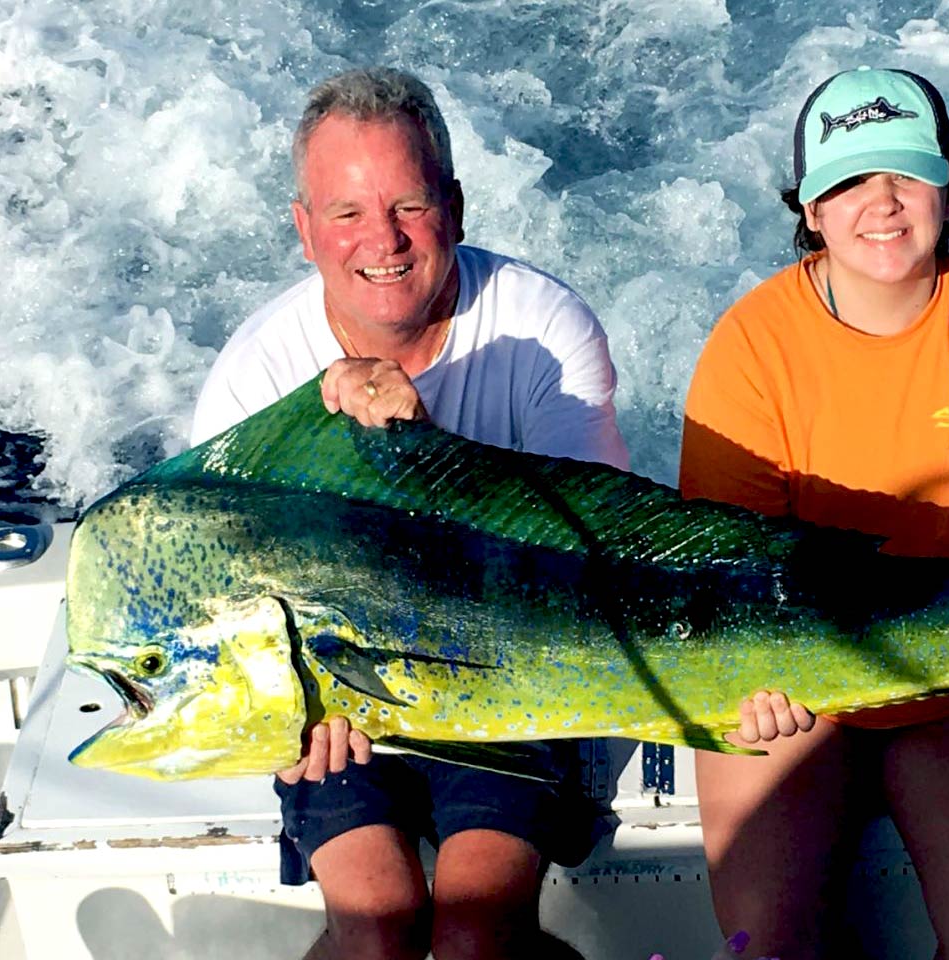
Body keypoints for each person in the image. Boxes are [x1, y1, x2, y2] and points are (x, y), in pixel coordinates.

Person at [190, 67, 629, 960]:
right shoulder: (254, 373)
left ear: (456, 209)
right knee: (376, 926)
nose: (381, 240)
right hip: (338, 705)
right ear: (304, 229)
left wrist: (421, 458)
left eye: (410, 205)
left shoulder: (547, 328)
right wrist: (282, 718)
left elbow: (584, 558)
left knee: (475, 931)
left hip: (515, 680)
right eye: (346, 213)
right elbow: (224, 597)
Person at [679, 67, 949, 959]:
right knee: (766, 944)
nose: (882, 202)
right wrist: (750, 684)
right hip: (790, 672)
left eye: (905, 174)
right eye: (850, 179)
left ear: (947, 187)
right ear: (810, 209)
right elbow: (731, 569)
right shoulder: (748, 346)